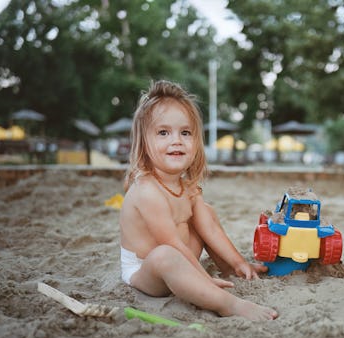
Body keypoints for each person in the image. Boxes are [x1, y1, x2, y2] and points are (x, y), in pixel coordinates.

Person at [119, 80, 278, 321]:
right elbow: (171, 244)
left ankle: (228, 269)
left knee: (207, 213)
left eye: (185, 132)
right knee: (164, 254)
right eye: (163, 133)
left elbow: (209, 228)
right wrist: (205, 280)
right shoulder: (147, 191)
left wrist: (238, 262)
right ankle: (227, 304)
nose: (177, 140)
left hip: (181, 259)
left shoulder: (188, 187)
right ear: (144, 141)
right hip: (147, 270)